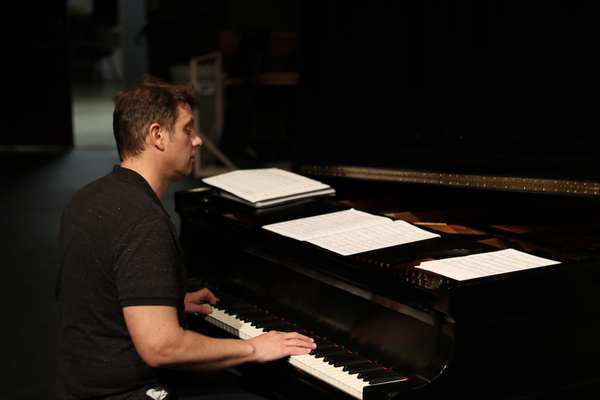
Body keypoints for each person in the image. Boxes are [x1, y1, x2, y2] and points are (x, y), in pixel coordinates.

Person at [55, 75, 316, 400]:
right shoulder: (144, 222)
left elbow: (97, 297)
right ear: (158, 136)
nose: (197, 141)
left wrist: (164, 301)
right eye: (188, 128)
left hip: (79, 386)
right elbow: (162, 348)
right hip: (127, 393)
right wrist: (252, 348)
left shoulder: (90, 197)